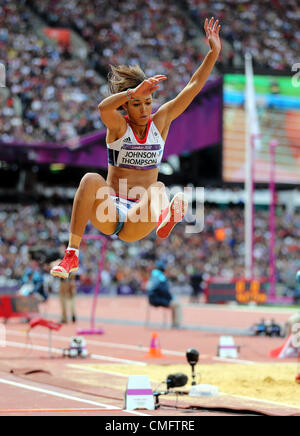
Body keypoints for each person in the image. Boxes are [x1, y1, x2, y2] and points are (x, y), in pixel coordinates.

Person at [51, 18, 222, 279]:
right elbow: (103, 108)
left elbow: (192, 87)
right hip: (109, 209)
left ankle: (165, 217)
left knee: (157, 187)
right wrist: (132, 92)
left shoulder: (161, 121)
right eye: (138, 104)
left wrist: (213, 53)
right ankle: (71, 255)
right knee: (89, 179)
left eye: (148, 102)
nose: (145, 109)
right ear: (127, 106)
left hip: (139, 217)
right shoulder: (118, 127)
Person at [147, 260, 182, 328]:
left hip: (151, 299)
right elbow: (164, 291)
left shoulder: (153, 276)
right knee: (177, 304)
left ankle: (175, 324)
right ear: (163, 269)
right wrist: (171, 298)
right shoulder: (161, 277)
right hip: (158, 300)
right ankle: (176, 324)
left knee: (174, 303)